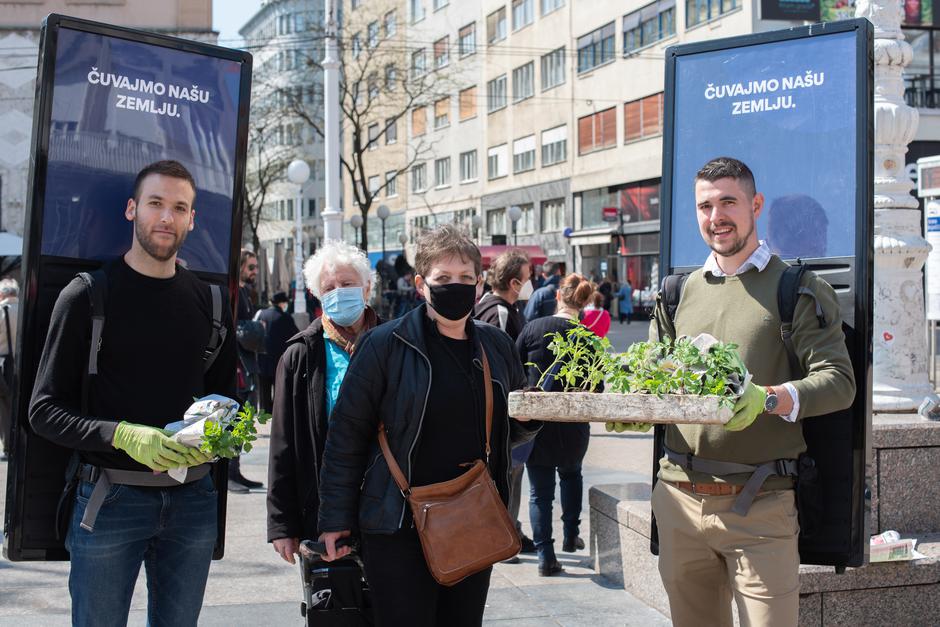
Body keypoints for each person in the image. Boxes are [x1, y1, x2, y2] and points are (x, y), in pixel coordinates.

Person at [612, 157, 855, 626]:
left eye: (728, 201)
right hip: (678, 500)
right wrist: (635, 405)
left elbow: (839, 382)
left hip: (761, 505)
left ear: (755, 205)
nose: (715, 216)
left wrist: (766, 398)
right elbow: (651, 377)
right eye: (705, 205)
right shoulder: (676, 292)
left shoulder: (797, 288)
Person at [28, 160, 237, 627]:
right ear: (131, 210)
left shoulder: (213, 303)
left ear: (192, 219)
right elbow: (43, 411)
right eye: (155, 203)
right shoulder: (86, 296)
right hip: (110, 499)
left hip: (193, 501)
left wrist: (220, 432)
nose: (166, 217)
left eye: (179, 207)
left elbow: (227, 399)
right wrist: (123, 435)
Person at [317, 225, 540, 627]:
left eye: (465, 279)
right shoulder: (385, 345)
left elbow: (508, 434)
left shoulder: (496, 345)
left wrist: (530, 420)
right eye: (443, 279)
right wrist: (334, 519)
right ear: (421, 284)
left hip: (472, 519)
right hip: (398, 524)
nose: (455, 288)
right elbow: (346, 437)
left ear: (478, 284)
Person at [267, 241, 381, 565]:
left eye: (347, 284)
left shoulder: (395, 342)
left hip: (390, 508)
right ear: (318, 296)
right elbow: (283, 443)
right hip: (323, 515)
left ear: (367, 288)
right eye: (329, 287)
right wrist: (281, 523)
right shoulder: (300, 355)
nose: (338, 292)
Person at [516, 274, 596, 576]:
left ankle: (545, 555)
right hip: (574, 425)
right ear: (584, 303)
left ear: (558, 297)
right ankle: (571, 534)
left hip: (537, 425)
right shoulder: (587, 338)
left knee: (540, 493)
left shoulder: (532, 329)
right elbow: (596, 386)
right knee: (572, 474)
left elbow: (514, 370)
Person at [473, 248, 536, 559]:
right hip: (502, 417)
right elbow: (496, 370)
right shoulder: (496, 312)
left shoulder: (507, 309)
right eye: (527, 278)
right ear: (514, 282)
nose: (530, 284)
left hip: (508, 415)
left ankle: (510, 529)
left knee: (512, 475)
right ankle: (503, 536)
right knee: (507, 475)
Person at [229, 249, 264, 493]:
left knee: (244, 419)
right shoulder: (233, 292)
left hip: (246, 363)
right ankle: (228, 474)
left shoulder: (244, 293)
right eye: (250, 267)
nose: (255, 272)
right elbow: (234, 327)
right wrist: (256, 327)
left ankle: (236, 471)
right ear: (240, 267)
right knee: (235, 418)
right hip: (238, 365)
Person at [253, 291, 299, 413]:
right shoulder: (286, 317)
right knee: (279, 387)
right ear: (282, 303)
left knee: (263, 388)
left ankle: (264, 412)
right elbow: (295, 335)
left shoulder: (261, 314)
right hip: (280, 359)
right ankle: (277, 411)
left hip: (262, 357)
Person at [0, 278, 18, 460]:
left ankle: (7, 447)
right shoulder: (24, 308)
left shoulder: (1, 310)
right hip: (22, 362)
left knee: (4, 409)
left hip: (4, 364)